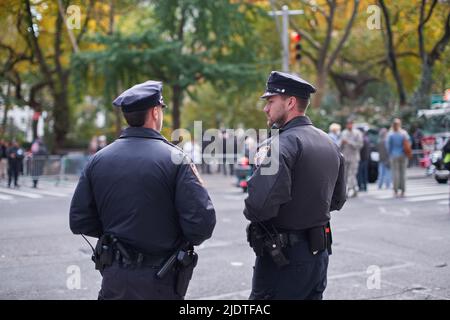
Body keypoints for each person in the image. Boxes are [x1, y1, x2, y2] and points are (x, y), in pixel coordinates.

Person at [69, 80, 216, 300]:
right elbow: (201, 225)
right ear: (155, 112)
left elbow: (80, 220)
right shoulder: (175, 159)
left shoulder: (98, 159)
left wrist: (116, 233)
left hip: (114, 276)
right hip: (160, 278)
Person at [243, 71, 347, 300]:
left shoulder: (279, 145)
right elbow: (338, 200)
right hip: (318, 255)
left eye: (271, 101)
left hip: (283, 259)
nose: (265, 108)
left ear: (290, 102)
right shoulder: (329, 142)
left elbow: (258, 207)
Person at [340, 120, 363, 197]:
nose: (349, 126)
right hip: (345, 157)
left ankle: (348, 190)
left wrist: (349, 142)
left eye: (350, 124)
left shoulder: (357, 133)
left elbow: (360, 145)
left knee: (352, 174)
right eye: (347, 124)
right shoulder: (343, 133)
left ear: (352, 125)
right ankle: (355, 189)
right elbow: (339, 146)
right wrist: (341, 143)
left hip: (354, 157)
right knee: (345, 175)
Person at [387, 118, 409, 197]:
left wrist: (389, 154)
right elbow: (409, 143)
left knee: (395, 173)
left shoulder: (390, 134)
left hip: (394, 155)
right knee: (403, 173)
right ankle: (403, 191)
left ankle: (395, 191)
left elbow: (388, 146)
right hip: (403, 155)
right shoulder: (404, 133)